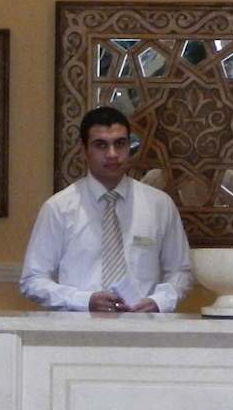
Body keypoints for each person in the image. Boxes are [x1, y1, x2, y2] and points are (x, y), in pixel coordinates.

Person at [19, 105, 193, 313]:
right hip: (78, 326)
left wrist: (159, 301)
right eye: (101, 145)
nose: (112, 154)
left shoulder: (160, 205)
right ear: (84, 151)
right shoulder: (59, 208)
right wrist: (85, 300)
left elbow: (181, 271)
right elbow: (33, 280)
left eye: (120, 144)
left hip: (143, 325)